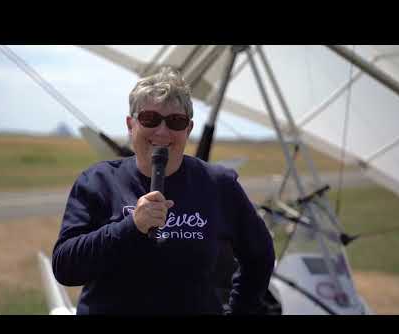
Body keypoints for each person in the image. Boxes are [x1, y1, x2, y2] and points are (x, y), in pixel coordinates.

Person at [52, 66, 275, 315]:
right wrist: (131, 227)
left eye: (175, 122)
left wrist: (241, 311)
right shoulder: (98, 181)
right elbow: (65, 268)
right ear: (130, 124)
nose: (162, 131)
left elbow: (260, 255)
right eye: (150, 119)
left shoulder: (219, 185)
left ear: (188, 130)